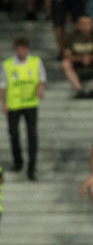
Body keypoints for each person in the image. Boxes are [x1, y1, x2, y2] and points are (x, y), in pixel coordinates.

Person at [1, 37, 46, 181]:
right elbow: (3, 85)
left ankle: (31, 167)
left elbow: (41, 78)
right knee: (13, 133)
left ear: (27, 50)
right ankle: (18, 161)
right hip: (14, 103)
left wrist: (40, 89)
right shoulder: (7, 65)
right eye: (18, 49)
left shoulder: (35, 62)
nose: (21, 52)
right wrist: (4, 103)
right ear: (15, 50)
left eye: (23, 49)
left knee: (32, 134)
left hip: (30, 103)